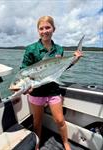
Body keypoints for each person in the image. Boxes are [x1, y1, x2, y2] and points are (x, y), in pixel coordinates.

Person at [20, 16, 83, 150]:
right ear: (38, 31)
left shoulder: (59, 49)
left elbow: (63, 67)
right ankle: (36, 145)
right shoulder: (31, 49)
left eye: (47, 27)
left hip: (53, 90)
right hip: (36, 91)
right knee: (37, 122)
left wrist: (75, 59)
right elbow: (24, 69)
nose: (45, 31)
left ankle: (66, 143)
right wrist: (25, 86)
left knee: (60, 120)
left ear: (53, 29)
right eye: (41, 28)